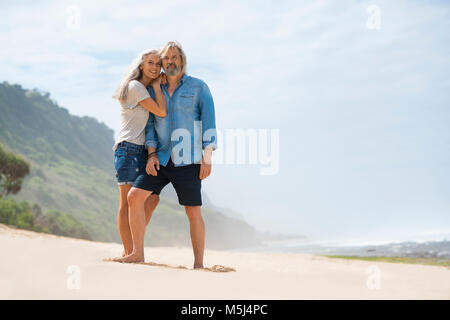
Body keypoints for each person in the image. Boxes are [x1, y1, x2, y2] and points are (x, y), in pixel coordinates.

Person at [113, 41, 217, 269]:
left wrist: (207, 156)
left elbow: (209, 122)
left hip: (188, 159)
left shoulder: (198, 87)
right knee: (134, 197)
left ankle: (199, 264)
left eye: (174, 58)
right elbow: (149, 125)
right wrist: (151, 154)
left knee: (193, 211)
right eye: (166, 59)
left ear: (182, 61)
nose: (170, 62)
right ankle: (137, 253)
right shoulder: (151, 90)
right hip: (159, 158)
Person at [112, 49, 167, 257]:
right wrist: (156, 86)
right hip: (128, 149)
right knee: (126, 204)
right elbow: (161, 112)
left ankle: (134, 248)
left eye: (158, 64)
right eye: (150, 63)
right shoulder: (136, 87)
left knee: (152, 199)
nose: (155, 67)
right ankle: (130, 251)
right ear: (141, 65)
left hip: (141, 151)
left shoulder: (144, 89)